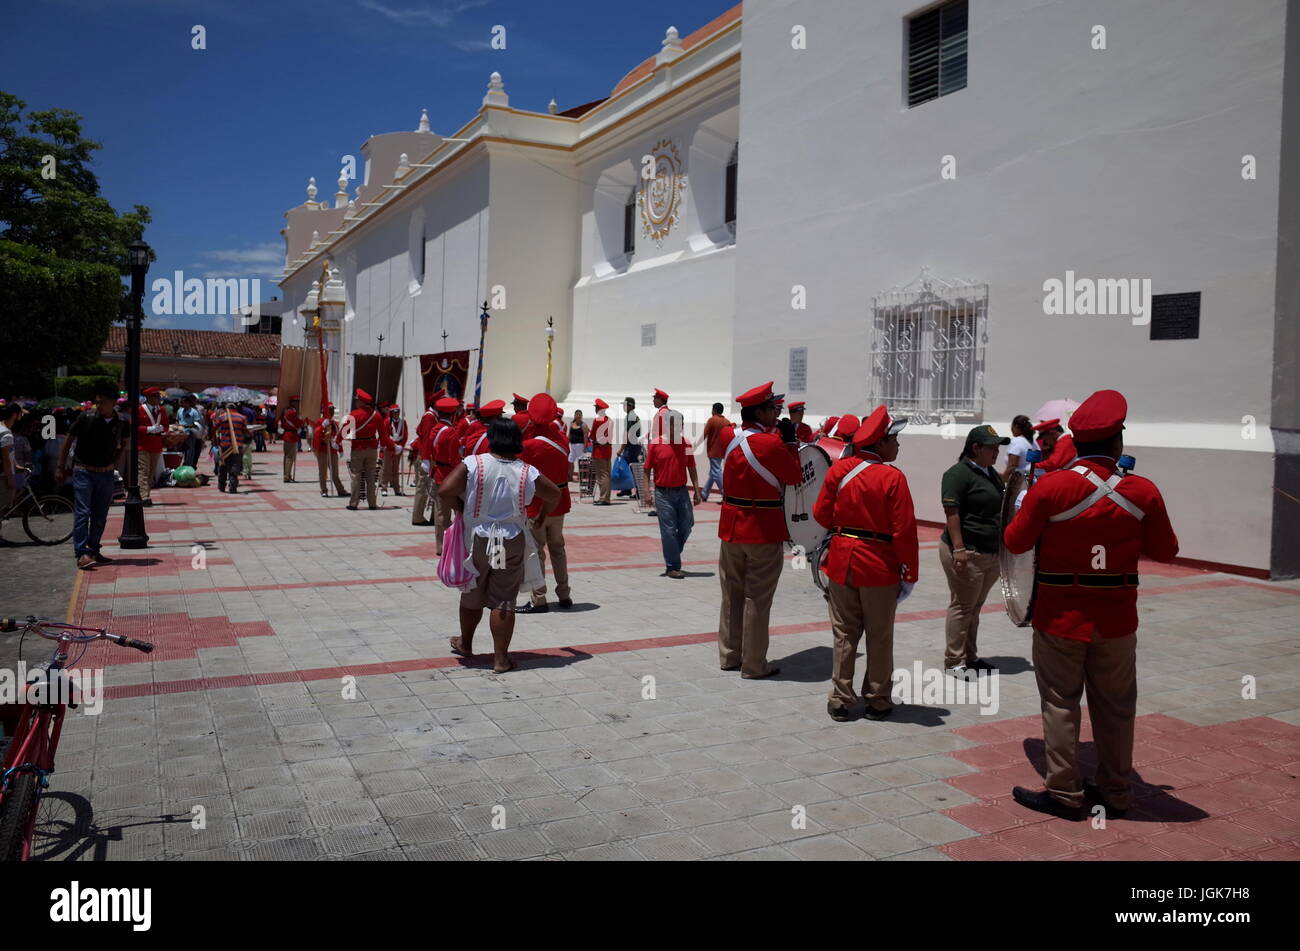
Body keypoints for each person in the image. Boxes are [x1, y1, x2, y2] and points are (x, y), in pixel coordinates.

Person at [1005, 390, 1179, 821]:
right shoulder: (1142, 491)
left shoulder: (1053, 488)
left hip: (1060, 615)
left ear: (1075, 443)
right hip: (1118, 617)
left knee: (1061, 701)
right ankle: (1116, 792)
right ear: (1117, 441)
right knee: (1117, 706)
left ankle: (1064, 792)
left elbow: (1014, 542)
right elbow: (1167, 551)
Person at [813, 405, 917, 721]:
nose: (898, 445)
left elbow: (820, 515)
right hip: (878, 564)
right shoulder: (892, 477)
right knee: (879, 635)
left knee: (844, 634)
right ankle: (877, 699)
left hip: (842, 560)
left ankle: (841, 699)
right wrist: (909, 571)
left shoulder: (839, 470)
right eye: (894, 439)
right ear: (881, 443)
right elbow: (904, 531)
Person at [440, 418, 561, 673]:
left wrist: (461, 509)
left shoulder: (474, 464)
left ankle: (466, 643)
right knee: (504, 599)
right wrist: (539, 517)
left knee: (472, 590)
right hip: (510, 539)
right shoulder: (526, 470)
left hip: (479, 538)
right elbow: (554, 494)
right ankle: (500, 659)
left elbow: (445, 489)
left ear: (492, 438)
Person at [716, 382, 802, 679]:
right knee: (758, 598)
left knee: (731, 594)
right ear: (761, 411)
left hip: (731, 525)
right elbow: (793, 476)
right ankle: (754, 663)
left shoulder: (729, 436)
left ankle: (729, 655)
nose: (776, 415)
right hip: (762, 528)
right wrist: (790, 443)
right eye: (772, 409)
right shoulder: (771, 443)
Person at [939, 425, 1010, 677]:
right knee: (962, 606)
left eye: (997, 446)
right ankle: (954, 662)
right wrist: (959, 548)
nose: (996, 451)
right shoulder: (958, 474)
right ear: (976, 448)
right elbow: (952, 512)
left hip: (988, 553)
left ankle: (970, 656)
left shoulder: (989, 473)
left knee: (974, 607)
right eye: (991, 447)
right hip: (967, 552)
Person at [55, 386, 126, 568]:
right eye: (97, 402)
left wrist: (115, 463)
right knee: (82, 513)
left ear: (113, 403)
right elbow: (68, 440)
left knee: (100, 514)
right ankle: (81, 553)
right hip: (84, 471)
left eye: (102, 402)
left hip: (106, 473)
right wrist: (60, 467)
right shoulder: (86, 418)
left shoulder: (120, 422)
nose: (98, 406)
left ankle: (93, 550)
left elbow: (123, 443)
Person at [518, 393, 573, 613]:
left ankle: (539, 598)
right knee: (558, 549)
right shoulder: (562, 440)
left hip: (536, 505)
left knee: (536, 552)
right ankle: (564, 594)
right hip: (559, 502)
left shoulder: (528, 445)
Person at [645, 409, 701, 578]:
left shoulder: (687, 444)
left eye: (680, 424)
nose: (678, 427)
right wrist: (646, 492)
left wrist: (697, 491)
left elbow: (692, 468)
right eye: (675, 424)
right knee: (668, 531)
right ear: (667, 425)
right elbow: (647, 470)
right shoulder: (655, 444)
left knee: (687, 525)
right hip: (663, 494)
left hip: (682, 491)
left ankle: (672, 553)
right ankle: (672, 566)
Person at [417, 396, 462, 548]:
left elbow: (427, 446)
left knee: (440, 512)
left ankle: (441, 545)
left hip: (437, 473)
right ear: (453, 414)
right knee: (455, 511)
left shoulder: (435, 429)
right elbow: (455, 457)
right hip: (450, 475)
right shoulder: (451, 432)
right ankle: (452, 545)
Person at [345, 389, 394, 511]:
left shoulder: (354, 414)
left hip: (357, 448)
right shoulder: (376, 415)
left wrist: (336, 442)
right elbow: (383, 435)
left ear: (361, 402)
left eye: (357, 400)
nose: (356, 402)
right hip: (372, 449)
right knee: (371, 477)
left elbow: (344, 431)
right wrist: (389, 446)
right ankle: (372, 503)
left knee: (356, 476)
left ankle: (354, 503)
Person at [411, 394, 441, 524]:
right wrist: (426, 459)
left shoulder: (432, 416)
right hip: (427, 457)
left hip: (429, 456)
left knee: (432, 488)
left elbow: (419, 431)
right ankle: (418, 517)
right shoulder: (430, 417)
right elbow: (428, 439)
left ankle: (433, 516)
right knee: (423, 488)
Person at [135, 386, 168, 504]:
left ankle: (146, 494)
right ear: (148, 397)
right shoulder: (140, 409)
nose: (158, 398)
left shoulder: (162, 410)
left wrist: (162, 428)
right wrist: (148, 429)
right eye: (156, 396)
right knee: (143, 470)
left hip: (156, 444)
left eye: (158, 396)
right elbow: (134, 427)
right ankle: (144, 497)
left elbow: (166, 426)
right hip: (143, 444)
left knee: (151, 472)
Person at [696, 402, 731, 503]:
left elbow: (705, 434)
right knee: (713, 473)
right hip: (723, 451)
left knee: (716, 471)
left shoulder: (712, 420)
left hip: (713, 450)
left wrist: (696, 445)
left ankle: (725, 493)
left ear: (714, 410)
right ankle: (704, 493)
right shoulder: (727, 421)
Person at [212, 401, 250, 494]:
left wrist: (215, 441)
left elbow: (214, 429)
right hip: (237, 446)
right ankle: (233, 486)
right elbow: (246, 432)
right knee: (235, 466)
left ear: (226, 409)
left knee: (223, 465)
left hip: (224, 445)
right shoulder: (242, 417)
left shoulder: (221, 417)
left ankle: (221, 486)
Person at [312, 405, 347, 497]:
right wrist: (322, 426)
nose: (331, 413)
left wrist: (340, 449)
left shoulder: (334, 423)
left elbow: (338, 437)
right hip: (323, 449)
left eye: (332, 410)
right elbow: (316, 435)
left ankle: (341, 490)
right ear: (324, 411)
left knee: (335, 473)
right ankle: (324, 490)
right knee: (323, 472)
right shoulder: (319, 422)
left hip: (332, 449)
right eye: (329, 410)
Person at [0, 402, 24, 518]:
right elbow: (5, 458)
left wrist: (16, 464)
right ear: (15, 415)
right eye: (20, 413)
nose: (21, 416)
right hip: (3, 475)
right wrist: (10, 478)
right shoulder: (6, 434)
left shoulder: (1, 427)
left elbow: (7, 454)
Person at [589, 399, 614, 505]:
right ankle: (606, 497)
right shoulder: (610, 420)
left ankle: (604, 498)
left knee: (601, 475)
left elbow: (592, 436)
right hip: (607, 449)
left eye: (596, 408)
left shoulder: (598, 420)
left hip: (599, 450)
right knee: (607, 474)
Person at [383, 403, 408, 496]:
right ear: (391, 413)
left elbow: (405, 435)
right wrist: (393, 446)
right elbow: (385, 436)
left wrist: (401, 446)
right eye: (394, 412)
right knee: (387, 468)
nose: (396, 414)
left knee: (396, 469)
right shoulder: (387, 422)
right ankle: (384, 487)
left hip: (399, 447)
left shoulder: (403, 422)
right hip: (389, 447)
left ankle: (396, 488)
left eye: (398, 412)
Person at [1001, 414, 1035, 481]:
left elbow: (1012, 466)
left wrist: (1002, 480)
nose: (1011, 429)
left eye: (1011, 427)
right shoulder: (1033, 442)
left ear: (1016, 426)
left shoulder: (1017, 441)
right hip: (1033, 479)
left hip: (1021, 483)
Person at [176, 395, 205, 469]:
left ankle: (188, 466)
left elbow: (197, 423)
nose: (182, 404)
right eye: (182, 402)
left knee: (189, 452)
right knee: (179, 451)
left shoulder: (194, 412)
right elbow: (177, 420)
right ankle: (178, 466)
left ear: (188, 403)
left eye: (184, 402)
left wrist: (188, 427)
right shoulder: (179, 411)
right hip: (180, 433)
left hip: (190, 434)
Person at [280, 397, 305, 482]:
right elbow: (298, 423)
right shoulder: (291, 412)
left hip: (287, 434)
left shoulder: (285, 411)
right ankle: (287, 476)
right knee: (290, 457)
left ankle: (287, 475)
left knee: (287, 457)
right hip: (291, 435)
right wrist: (301, 419)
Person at [567, 409, 588, 483]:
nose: (578, 416)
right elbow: (569, 434)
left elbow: (585, 436)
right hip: (572, 445)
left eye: (579, 414)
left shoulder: (583, 425)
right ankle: (570, 476)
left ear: (581, 416)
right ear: (575, 415)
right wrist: (567, 442)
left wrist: (585, 447)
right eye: (577, 414)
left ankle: (580, 477)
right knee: (570, 460)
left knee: (581, 461)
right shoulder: (572, 424)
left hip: (580, 445)